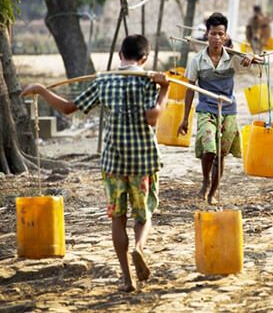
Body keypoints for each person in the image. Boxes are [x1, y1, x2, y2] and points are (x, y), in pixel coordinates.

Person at [21, 35, 170, 292]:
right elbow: (153, 118)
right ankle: (138, 248)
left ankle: (127, 278)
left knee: (118, 218)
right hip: (143, 160)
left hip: (113, 162)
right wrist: (165, 90)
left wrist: (42, 90)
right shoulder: (148, 81)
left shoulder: (104, 80)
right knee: (144, 216)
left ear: (120, 56)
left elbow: (69, 108)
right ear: (144, 58)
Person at [178, 13, 257, 205]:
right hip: (206, 109)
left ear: (226, 35)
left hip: (229, 110)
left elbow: (256, 65)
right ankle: (206, 180)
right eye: (213, 34)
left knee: (221, 154)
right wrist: (185, 118)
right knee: (209, 149)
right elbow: (190, 89)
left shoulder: (233, 58)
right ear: (207, 34)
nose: (217, 38)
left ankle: (213, 191)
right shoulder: (197, 60)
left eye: (220, 34)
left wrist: (251, 57)